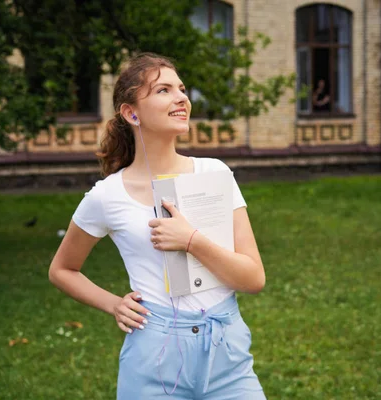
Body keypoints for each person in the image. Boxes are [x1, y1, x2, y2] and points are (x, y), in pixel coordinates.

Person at [48, 52, 266, 399]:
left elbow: (253, 279)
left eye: (181, 88)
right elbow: (62, 269)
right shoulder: (107, 195)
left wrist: (191, 240)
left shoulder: (215, 174)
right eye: (164, 90)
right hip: (154, 358)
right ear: (131, 113)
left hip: (227, 354)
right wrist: (113, 303)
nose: (182, 98)